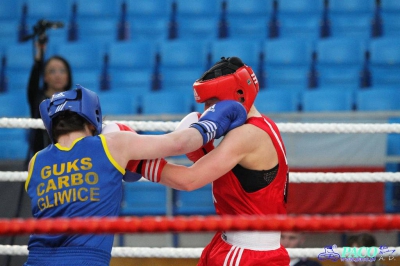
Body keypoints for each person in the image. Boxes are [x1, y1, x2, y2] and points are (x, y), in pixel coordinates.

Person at [23, 84, 247, 266]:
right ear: (92, 119)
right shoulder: (111, 145)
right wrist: (215, 119)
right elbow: (179, 143)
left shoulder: (36, 163)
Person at [128, 56, 290, 265]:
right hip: (239, 245)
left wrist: (134, 162)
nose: (207, 112)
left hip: (245, 253)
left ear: (237, 95)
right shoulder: (264, 125)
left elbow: (189, 180)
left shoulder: (247, 135)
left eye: (212, 103)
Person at [27, 41, 72, 162]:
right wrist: (39, 57)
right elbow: (33, 84)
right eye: (52, 71)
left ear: (68, 77)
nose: (58, 75)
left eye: (62, 71)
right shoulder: (38, 99)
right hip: (42, 159)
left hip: (68, 161)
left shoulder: (75, 101)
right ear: (45, 77)